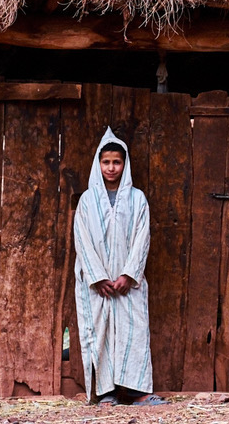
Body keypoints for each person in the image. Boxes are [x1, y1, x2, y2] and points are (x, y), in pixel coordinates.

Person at [73, 127, 168, 406]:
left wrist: (128, 274)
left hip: (129, 284)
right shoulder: (87, 201)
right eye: (106, 162)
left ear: (124, 165)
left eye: (116, 162)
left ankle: (138, 392)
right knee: (98, 333)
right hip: (97, 285)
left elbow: (142, 237)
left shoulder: (137, 199)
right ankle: (106, 392)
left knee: (134, 331)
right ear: (98, 164)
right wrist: (98, 277)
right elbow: (83, 239)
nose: (111, 168)